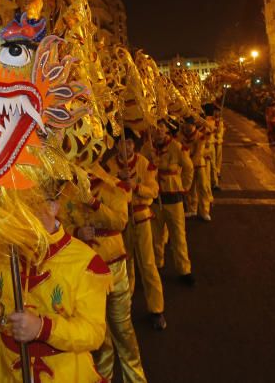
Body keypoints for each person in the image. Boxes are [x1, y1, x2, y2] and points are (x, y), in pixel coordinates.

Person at [0, 181, 111, 383]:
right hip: (5, 371)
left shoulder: (86, 262)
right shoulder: (2, 250)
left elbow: (93, 333)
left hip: (65, 373)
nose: (21, 214)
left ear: (54, 206)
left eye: (30, 203)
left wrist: (42, 328)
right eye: (14, 205)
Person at [59, 166, 147, 383]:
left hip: (114, 266)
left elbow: (120, 222)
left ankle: (135, 378)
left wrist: (93, 203)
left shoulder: (114, 186)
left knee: (123, 329)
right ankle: (103, 377)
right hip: (86, 271)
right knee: (98, 335)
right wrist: (77, 232)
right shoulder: (66, 192)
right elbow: (62, 225)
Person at [103, 130, 166, 331]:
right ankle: (126, 304)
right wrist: (116, 180)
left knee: (148, 264)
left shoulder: (143, 163)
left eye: (129, 142)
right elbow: (102, 188)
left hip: (141, 218)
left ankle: (157, 309)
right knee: (125, 261)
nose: (126, 146)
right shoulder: (110, 166)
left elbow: (154, 190)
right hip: (121, 223)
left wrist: (136, 186)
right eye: (122, 142)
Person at [150, 119, 196, 286]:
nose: (158, 131)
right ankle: (157, 264)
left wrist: (184, 188)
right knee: (156, 236)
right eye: (155, 128)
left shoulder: (176, 147)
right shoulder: (148, 147)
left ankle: (184, 269)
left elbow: (189, 168)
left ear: (166, 130)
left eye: (161, 128)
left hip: (174, 199)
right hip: (155, 200)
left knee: (178, 236)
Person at [182, 116, 213, 221]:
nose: (187, 126)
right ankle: (192, 209)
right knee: (190, 188)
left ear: (194, 125)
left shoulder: (200, 137)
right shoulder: (181, 136)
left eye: (189, 124)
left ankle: (205, 211)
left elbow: (199, 153)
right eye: (185, 124)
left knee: (203, 187)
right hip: (188, 166)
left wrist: (190, 164)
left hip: (199, 165)